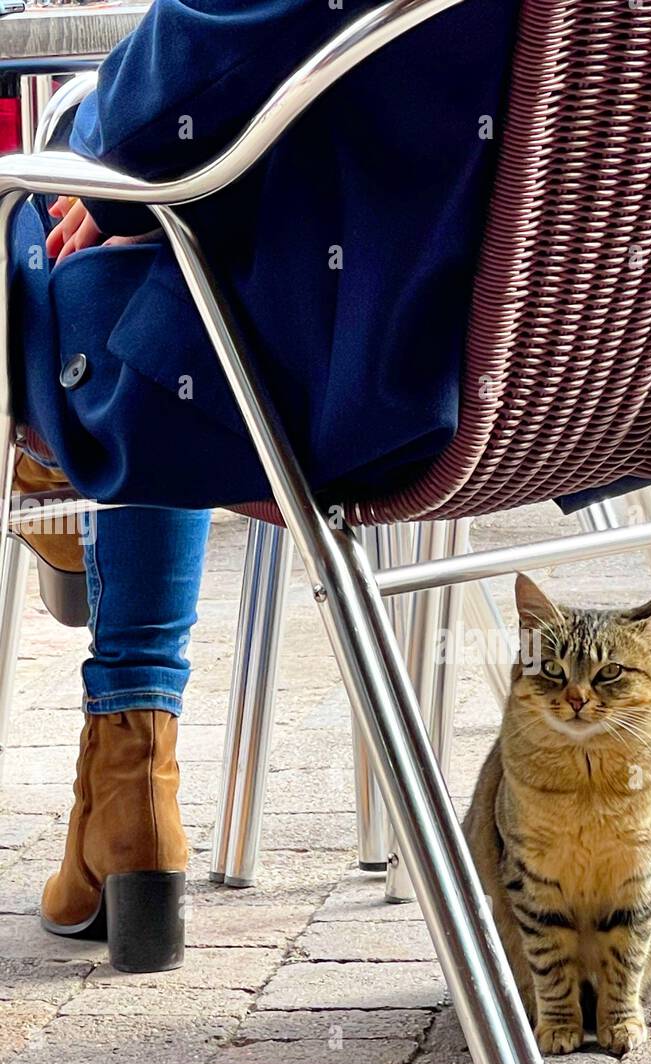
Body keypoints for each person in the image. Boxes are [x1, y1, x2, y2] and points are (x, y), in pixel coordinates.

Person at [9, 0, 518, 971]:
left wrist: (113, 162)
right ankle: (124, 783)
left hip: (364, 377)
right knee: (159, 216)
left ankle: (134, 771)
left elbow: (206, 44)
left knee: (65, 228)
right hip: (594, 358)